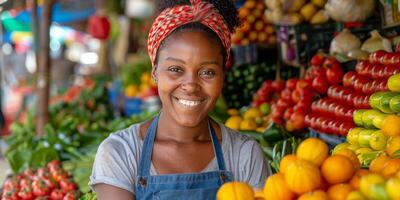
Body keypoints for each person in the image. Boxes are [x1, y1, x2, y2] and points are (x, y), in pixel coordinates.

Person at [89, 0, 272, 199]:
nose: (191, 85)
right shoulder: (121, 152)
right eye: (176, 69)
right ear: (155, 72)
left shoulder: (244, 154)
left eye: (207, 72)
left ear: (222, 77)